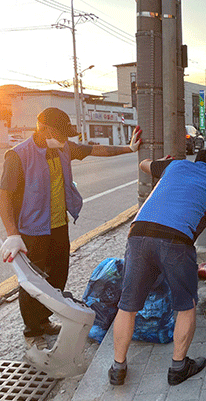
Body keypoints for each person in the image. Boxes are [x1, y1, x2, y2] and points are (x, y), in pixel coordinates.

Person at [0, 107, 142, 351]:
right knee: (33, 281)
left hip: (58, 226)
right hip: (32, 231)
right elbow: (5, 195)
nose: (65, 139)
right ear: (42, 128)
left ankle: (44, 321)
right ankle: (32, 330)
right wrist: (12, 233)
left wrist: (129, 148)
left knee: (57, 276)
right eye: (60, 133)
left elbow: (96, 149)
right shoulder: (18, 155)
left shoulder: (63, 147)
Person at [109, 149, 206, 386]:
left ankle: (117, 368)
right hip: (176, 240)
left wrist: (162, 162)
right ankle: (178, 367)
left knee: (127, 305)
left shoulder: (174, 166)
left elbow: (143, 164)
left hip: (138, 233)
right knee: (185, 305)